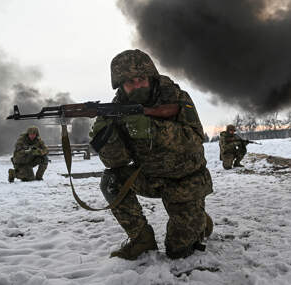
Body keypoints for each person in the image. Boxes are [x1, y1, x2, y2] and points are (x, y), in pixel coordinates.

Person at [90, 49, 213, 260]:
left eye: (141, 79)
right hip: (149, 177)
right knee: (112, 180)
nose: (137, 85)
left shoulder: (176, 97)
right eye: (130, 82)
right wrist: (107, 139)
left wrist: (151, 129)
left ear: (151, 76)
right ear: (121, 85)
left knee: (178, 252)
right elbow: (117, 162)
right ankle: (141, 240)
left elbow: (194, 141)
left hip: (185, 181)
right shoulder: (117, 109)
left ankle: (199, 220)